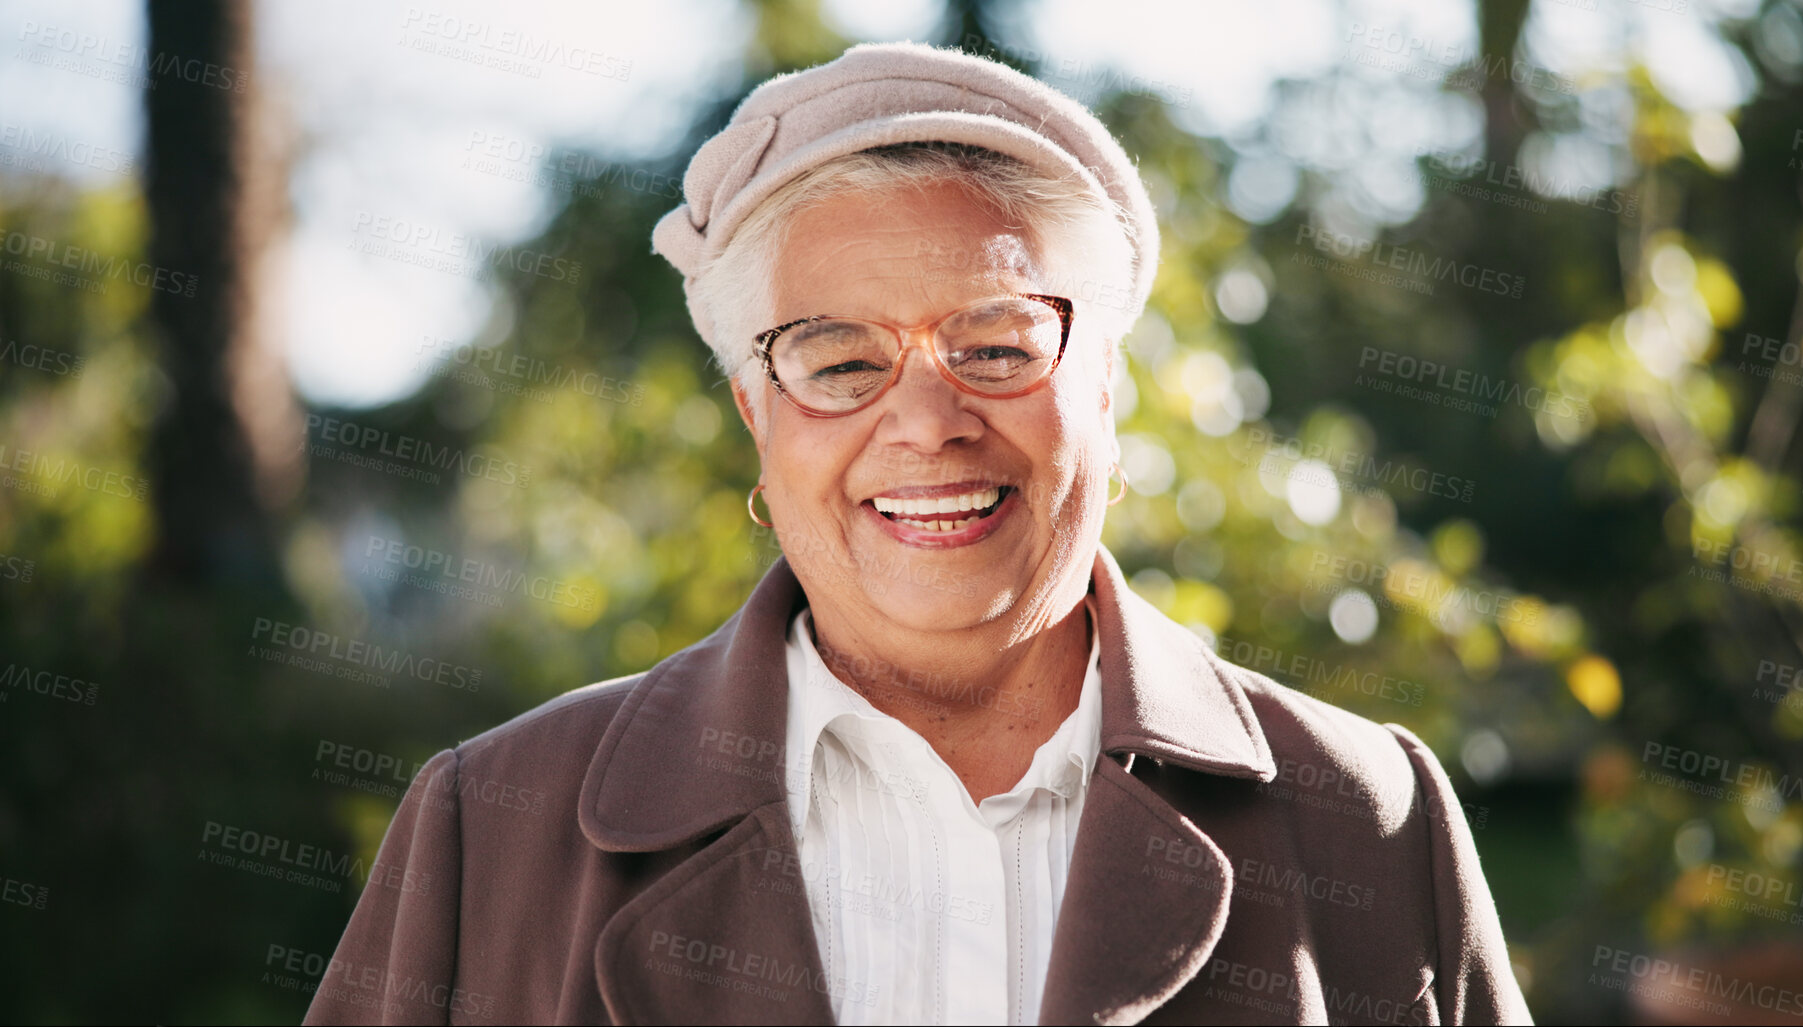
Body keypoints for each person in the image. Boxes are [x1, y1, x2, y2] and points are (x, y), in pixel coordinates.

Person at [305, 41, 1531, 1026]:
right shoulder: (496, 826)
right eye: (840, 360)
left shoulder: (1368, 816)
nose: (929, 423)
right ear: (757, 414)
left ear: (1104, 385)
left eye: (995, 345)